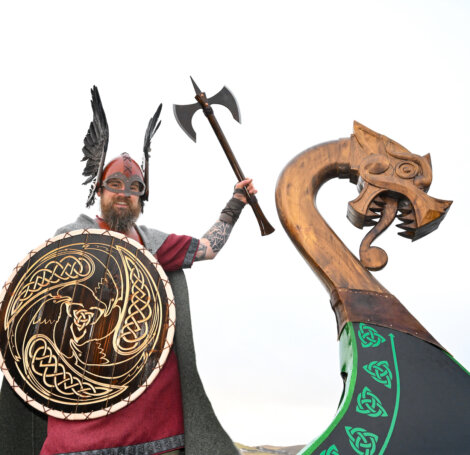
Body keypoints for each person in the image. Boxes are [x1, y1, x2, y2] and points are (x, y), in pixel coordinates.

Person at [0, 88, 256, 455]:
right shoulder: (70, 239)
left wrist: (236, 203)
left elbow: (207, 248)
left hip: (153, 419)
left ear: (142, 197)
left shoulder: (151, 242)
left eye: (134, 188)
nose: (124, 193)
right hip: (80, 416)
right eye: (115, 186)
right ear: (99, 190)